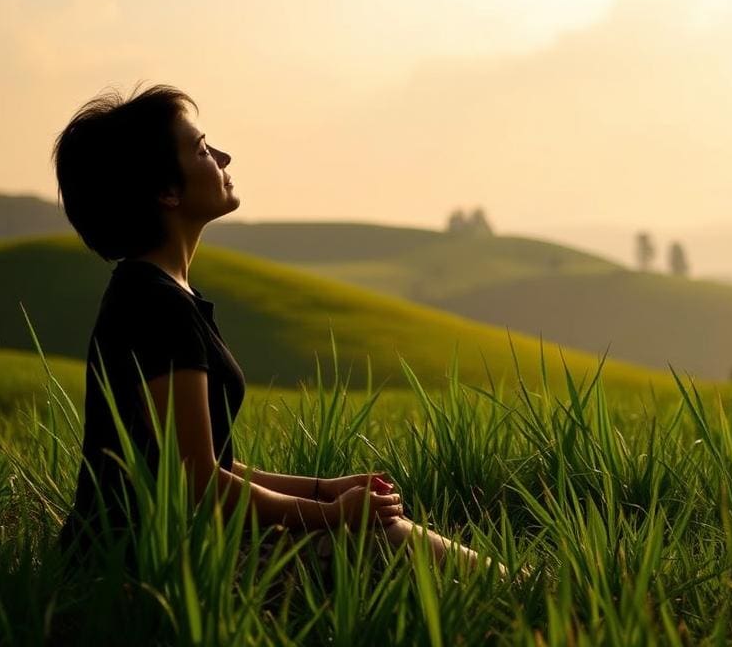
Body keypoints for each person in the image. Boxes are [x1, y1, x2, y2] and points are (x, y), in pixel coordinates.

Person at [52, 82, 505, 579]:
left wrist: (323, 489)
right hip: (143, 566)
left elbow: (211, 465)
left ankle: (531, 596)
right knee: (382, 539)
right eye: (202, 149)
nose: (223, 156)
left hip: (158, 549)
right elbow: (199, 487)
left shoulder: (159, 295)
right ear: (166, 191)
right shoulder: (157, 306)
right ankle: (534, 598)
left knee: (375, 535)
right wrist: (332, 516)